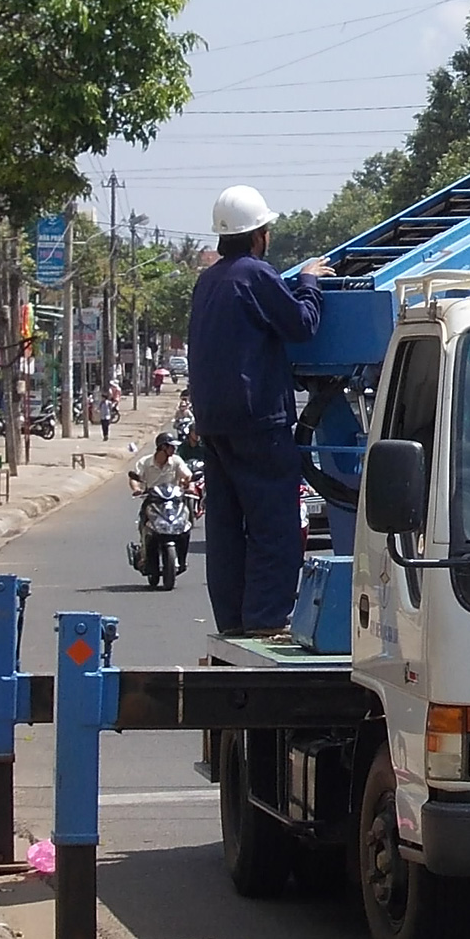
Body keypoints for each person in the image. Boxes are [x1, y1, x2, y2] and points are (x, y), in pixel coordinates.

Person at [188, 185, 331, 639]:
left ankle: (233, 619)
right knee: (275, 526)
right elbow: (302, 325)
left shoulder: (208, 280)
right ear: (258, 235)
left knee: (227, 529)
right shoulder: (256, 274)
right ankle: (267, 617)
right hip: (258, 422)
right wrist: (309, 282)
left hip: (214, 422)